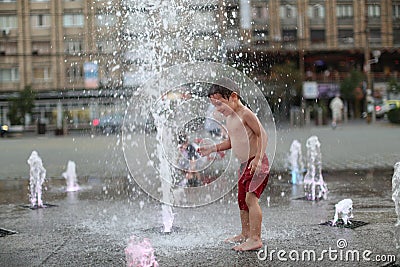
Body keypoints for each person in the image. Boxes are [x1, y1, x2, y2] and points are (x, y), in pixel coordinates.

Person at [198, 79, 269, 251]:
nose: (218, 109)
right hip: (244, 165)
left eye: (220, 104)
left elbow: (262, 136)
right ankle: (245, 233)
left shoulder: (246, 114)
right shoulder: (230, 118)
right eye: (214, 105)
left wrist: (258, 159)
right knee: (242, 202)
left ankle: (255, 238)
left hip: (256, 163)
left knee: (251, 200)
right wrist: (213, 148)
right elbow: (231, 142)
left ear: (233, 97)